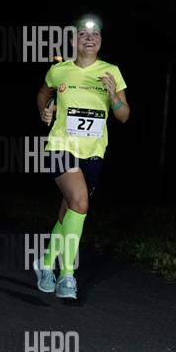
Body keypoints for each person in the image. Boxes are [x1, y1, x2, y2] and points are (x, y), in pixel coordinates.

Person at [33, 16, 130, 299]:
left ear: (100, 41)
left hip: (93, 154)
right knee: (80, 202)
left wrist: (113, 96)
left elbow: (124, 116)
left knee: (69, 211)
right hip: (61, 147)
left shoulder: (111, 72)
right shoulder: (60, 70)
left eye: (95, 34)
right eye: (84, 34)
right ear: (74, 40)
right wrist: (45, 111)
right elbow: (43, 94)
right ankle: (67, 275)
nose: (90, 38)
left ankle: (45, 263)